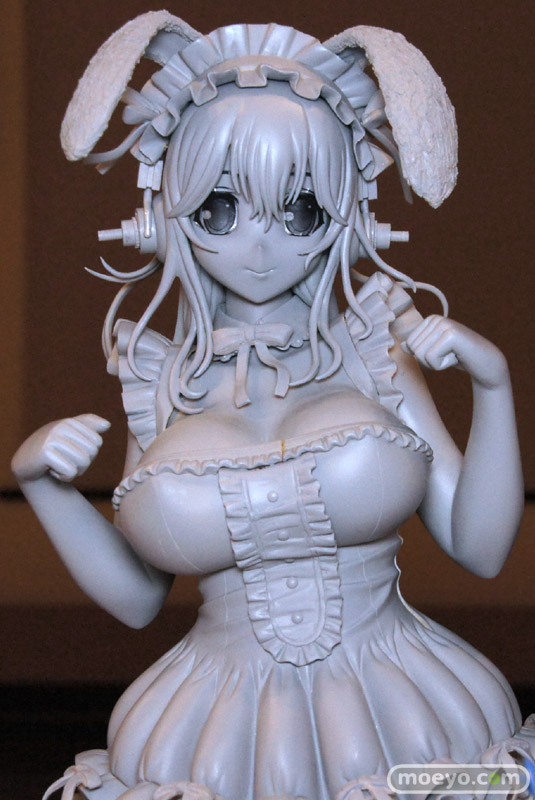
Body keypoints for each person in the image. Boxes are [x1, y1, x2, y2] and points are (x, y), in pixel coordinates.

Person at [11, 13, 535, 800]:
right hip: (202, 732)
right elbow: (139, 599)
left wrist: (491, 386)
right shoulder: (157, 376)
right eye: (219, 209)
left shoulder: (374, 345)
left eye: (301, 211)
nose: (259, 245)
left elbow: (480, 547)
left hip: (414, 711)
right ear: (164, 208)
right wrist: (42, 485)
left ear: (349, 211)